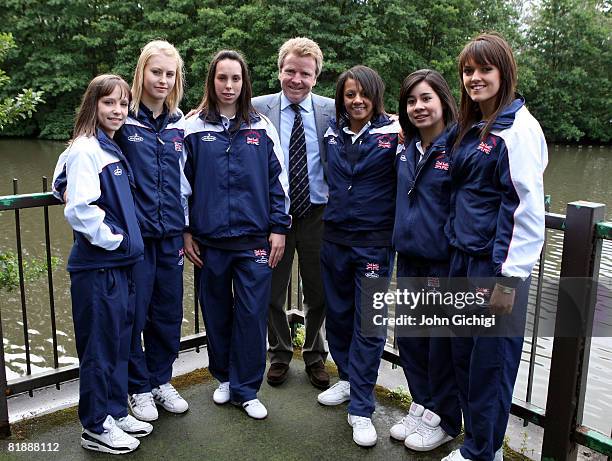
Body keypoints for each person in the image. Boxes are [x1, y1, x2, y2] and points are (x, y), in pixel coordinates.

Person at [442, 33, 548, 461]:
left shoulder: (519, 130)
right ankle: (477, 446)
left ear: (503, 73)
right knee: (464, 355)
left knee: (491, 365)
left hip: (496, 269)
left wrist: (510, 278)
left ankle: (484, 452)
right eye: (468, 70)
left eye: (485, 69)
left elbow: (527, 209)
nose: (474, 78)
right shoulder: (471, 126)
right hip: (462, 259)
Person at [183, 50, 291, 420]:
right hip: (209, 243)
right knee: (215, 313)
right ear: (211, 82)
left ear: (245, 83)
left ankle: (247, 389)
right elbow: (182, 186)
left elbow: (279, 182)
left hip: (254, 243)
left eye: (236, 79)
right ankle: (224, 378)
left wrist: (279, 227)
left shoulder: (261, 127)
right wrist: (185, 230)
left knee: (251, 314)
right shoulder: (193, 127)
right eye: (221, 78)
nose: (228, 86)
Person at [52, 74, 152, 454]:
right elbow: (79, 208)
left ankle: (115, 411)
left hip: (120, 266)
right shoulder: (85, 149)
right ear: (92, 105)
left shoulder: (106, 147)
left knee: (118, 342)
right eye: (109, 103)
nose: (118, 110)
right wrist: (117, 241)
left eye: (123, 103)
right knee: (98, 348)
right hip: (99, 268)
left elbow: (59, 182)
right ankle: (95, 425)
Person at [316, 65, 400, 447]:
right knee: (338, 314)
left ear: (376, 95)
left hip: (374, 243)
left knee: (370, 325)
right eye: (349, 94)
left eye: (363, 93)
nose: (356, 101)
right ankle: (348, 379)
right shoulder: (333, 131)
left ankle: (362, 408)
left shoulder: (394, 132)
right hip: (333, 237)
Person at [252, 37, 334, 389]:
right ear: (279, 71)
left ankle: (316, 354)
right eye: (290, 71)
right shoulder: (256, 107)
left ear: (315, 76)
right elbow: (215, 113)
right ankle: (280, 352)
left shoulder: (332, 109)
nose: (297, 80)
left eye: (305, 73)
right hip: (275, 217)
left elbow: (372, 118)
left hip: (318, 214)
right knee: (271, 292)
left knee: (320, 293)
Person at [114, 40, 189, 422]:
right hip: (136, 239)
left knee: (168, 313)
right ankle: (137, 387)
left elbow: (188, 181)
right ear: (141, 72)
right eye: (155, 71)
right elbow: (82, 155)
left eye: (169, 73)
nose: (162, 79)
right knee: (134, 313)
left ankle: (161, 379)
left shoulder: (181, 123)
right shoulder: (121, 119)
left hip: (172, 235)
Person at [389, 69, 462, 452]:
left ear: (443, 101)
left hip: (442, 262)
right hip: (410, 259)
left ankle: (447, 419)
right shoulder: (407, 145)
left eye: (426, 99)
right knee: (412, 340)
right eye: (411, 101)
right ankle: (422, 405)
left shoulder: (459, 146)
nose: (418, 107)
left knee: (440, 346)